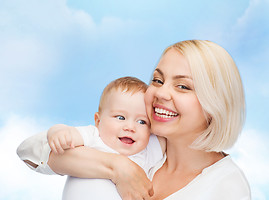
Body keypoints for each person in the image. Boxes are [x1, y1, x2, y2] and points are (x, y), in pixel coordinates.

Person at [19, 40, 251, 200]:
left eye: (183, 86)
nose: (161, 93)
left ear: (215, 104)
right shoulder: (137, 141)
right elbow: (31, 151)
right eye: (158, 80)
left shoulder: (227, 186)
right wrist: (117, 167)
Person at [17, 77, 165, 200]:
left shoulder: (145, 152)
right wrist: (57, 131)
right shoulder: (93, 137)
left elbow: (175, 138)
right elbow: (64, 135)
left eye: (142, 122)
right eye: (120, 117)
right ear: (98, 121)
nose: (130, 127)